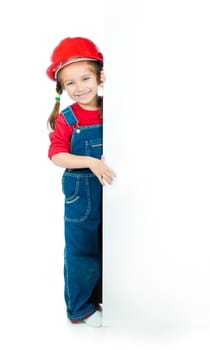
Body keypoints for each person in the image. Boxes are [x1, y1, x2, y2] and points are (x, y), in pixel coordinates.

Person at [46, 37, 116, 327]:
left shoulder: (115, 107)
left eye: (86, 78)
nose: (80, 88)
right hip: (82, 191)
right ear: (62, 88)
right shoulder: (68, 118)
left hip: (110, 188)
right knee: (81, 250)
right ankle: (80, 310)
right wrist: (90, 161)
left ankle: (102, 298)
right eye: (70, 83)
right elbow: (56, 155)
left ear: (99, 75)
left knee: (108, 245)